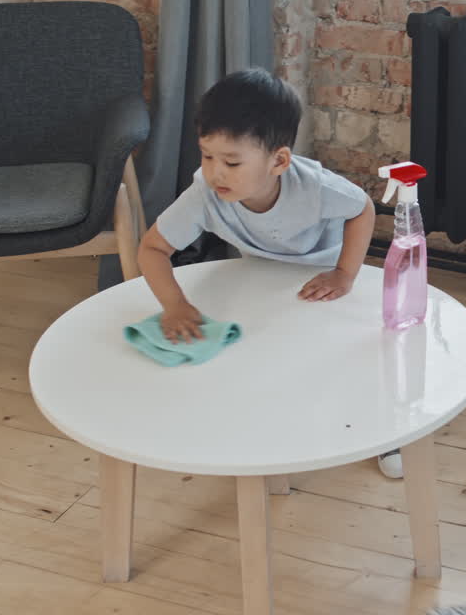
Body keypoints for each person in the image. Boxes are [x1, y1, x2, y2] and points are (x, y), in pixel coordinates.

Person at [136, 68, 404, 479]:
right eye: (207, 156)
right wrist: (174, 304)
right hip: (259, 276)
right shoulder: (206, 195)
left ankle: (388, 433)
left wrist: (344, 274)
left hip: (320, 277)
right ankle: (265, 427)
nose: (215, 173)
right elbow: (153, 249)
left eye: (231, 161)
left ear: (278, 161)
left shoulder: (314, 188)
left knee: (352, 356)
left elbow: (362, 210)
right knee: (255, 355)